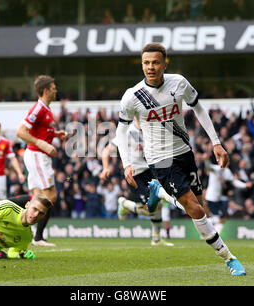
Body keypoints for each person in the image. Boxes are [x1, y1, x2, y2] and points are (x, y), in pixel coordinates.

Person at [115, 43, 246, 275]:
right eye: (146, 63)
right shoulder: (132, 96)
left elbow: (199, 109)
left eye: (155, 62)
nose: (151, 67)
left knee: (200, 206)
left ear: (165, 63)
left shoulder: (179, 82)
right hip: (160, 159)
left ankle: (159, 194)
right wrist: (126, 163)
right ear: (142, 64)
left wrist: (216, 142)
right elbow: (121, 131)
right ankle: (229, 258)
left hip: (185, 153)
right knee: (194, 209)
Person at [100, 118, 185, 246]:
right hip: (135, 175)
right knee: (148, 209)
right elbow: (106, 151)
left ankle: (156, 239)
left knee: (158, 203)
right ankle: (123, 203)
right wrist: (105, 168)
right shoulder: (127, 131)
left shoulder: (150, 129)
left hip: (150, 171)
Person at [15, 75, 68, 247]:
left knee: (36, 197)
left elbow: (40, 132)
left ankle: (26, 231)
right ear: (45, 91)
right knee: (50, 196)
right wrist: (43, 144)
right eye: (53, 87)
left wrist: (56, 135)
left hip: (38, 155)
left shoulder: (46, 109)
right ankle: (37, 236)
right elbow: (21, 132)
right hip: (37, 155)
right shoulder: (38, 108)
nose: (56, 90)